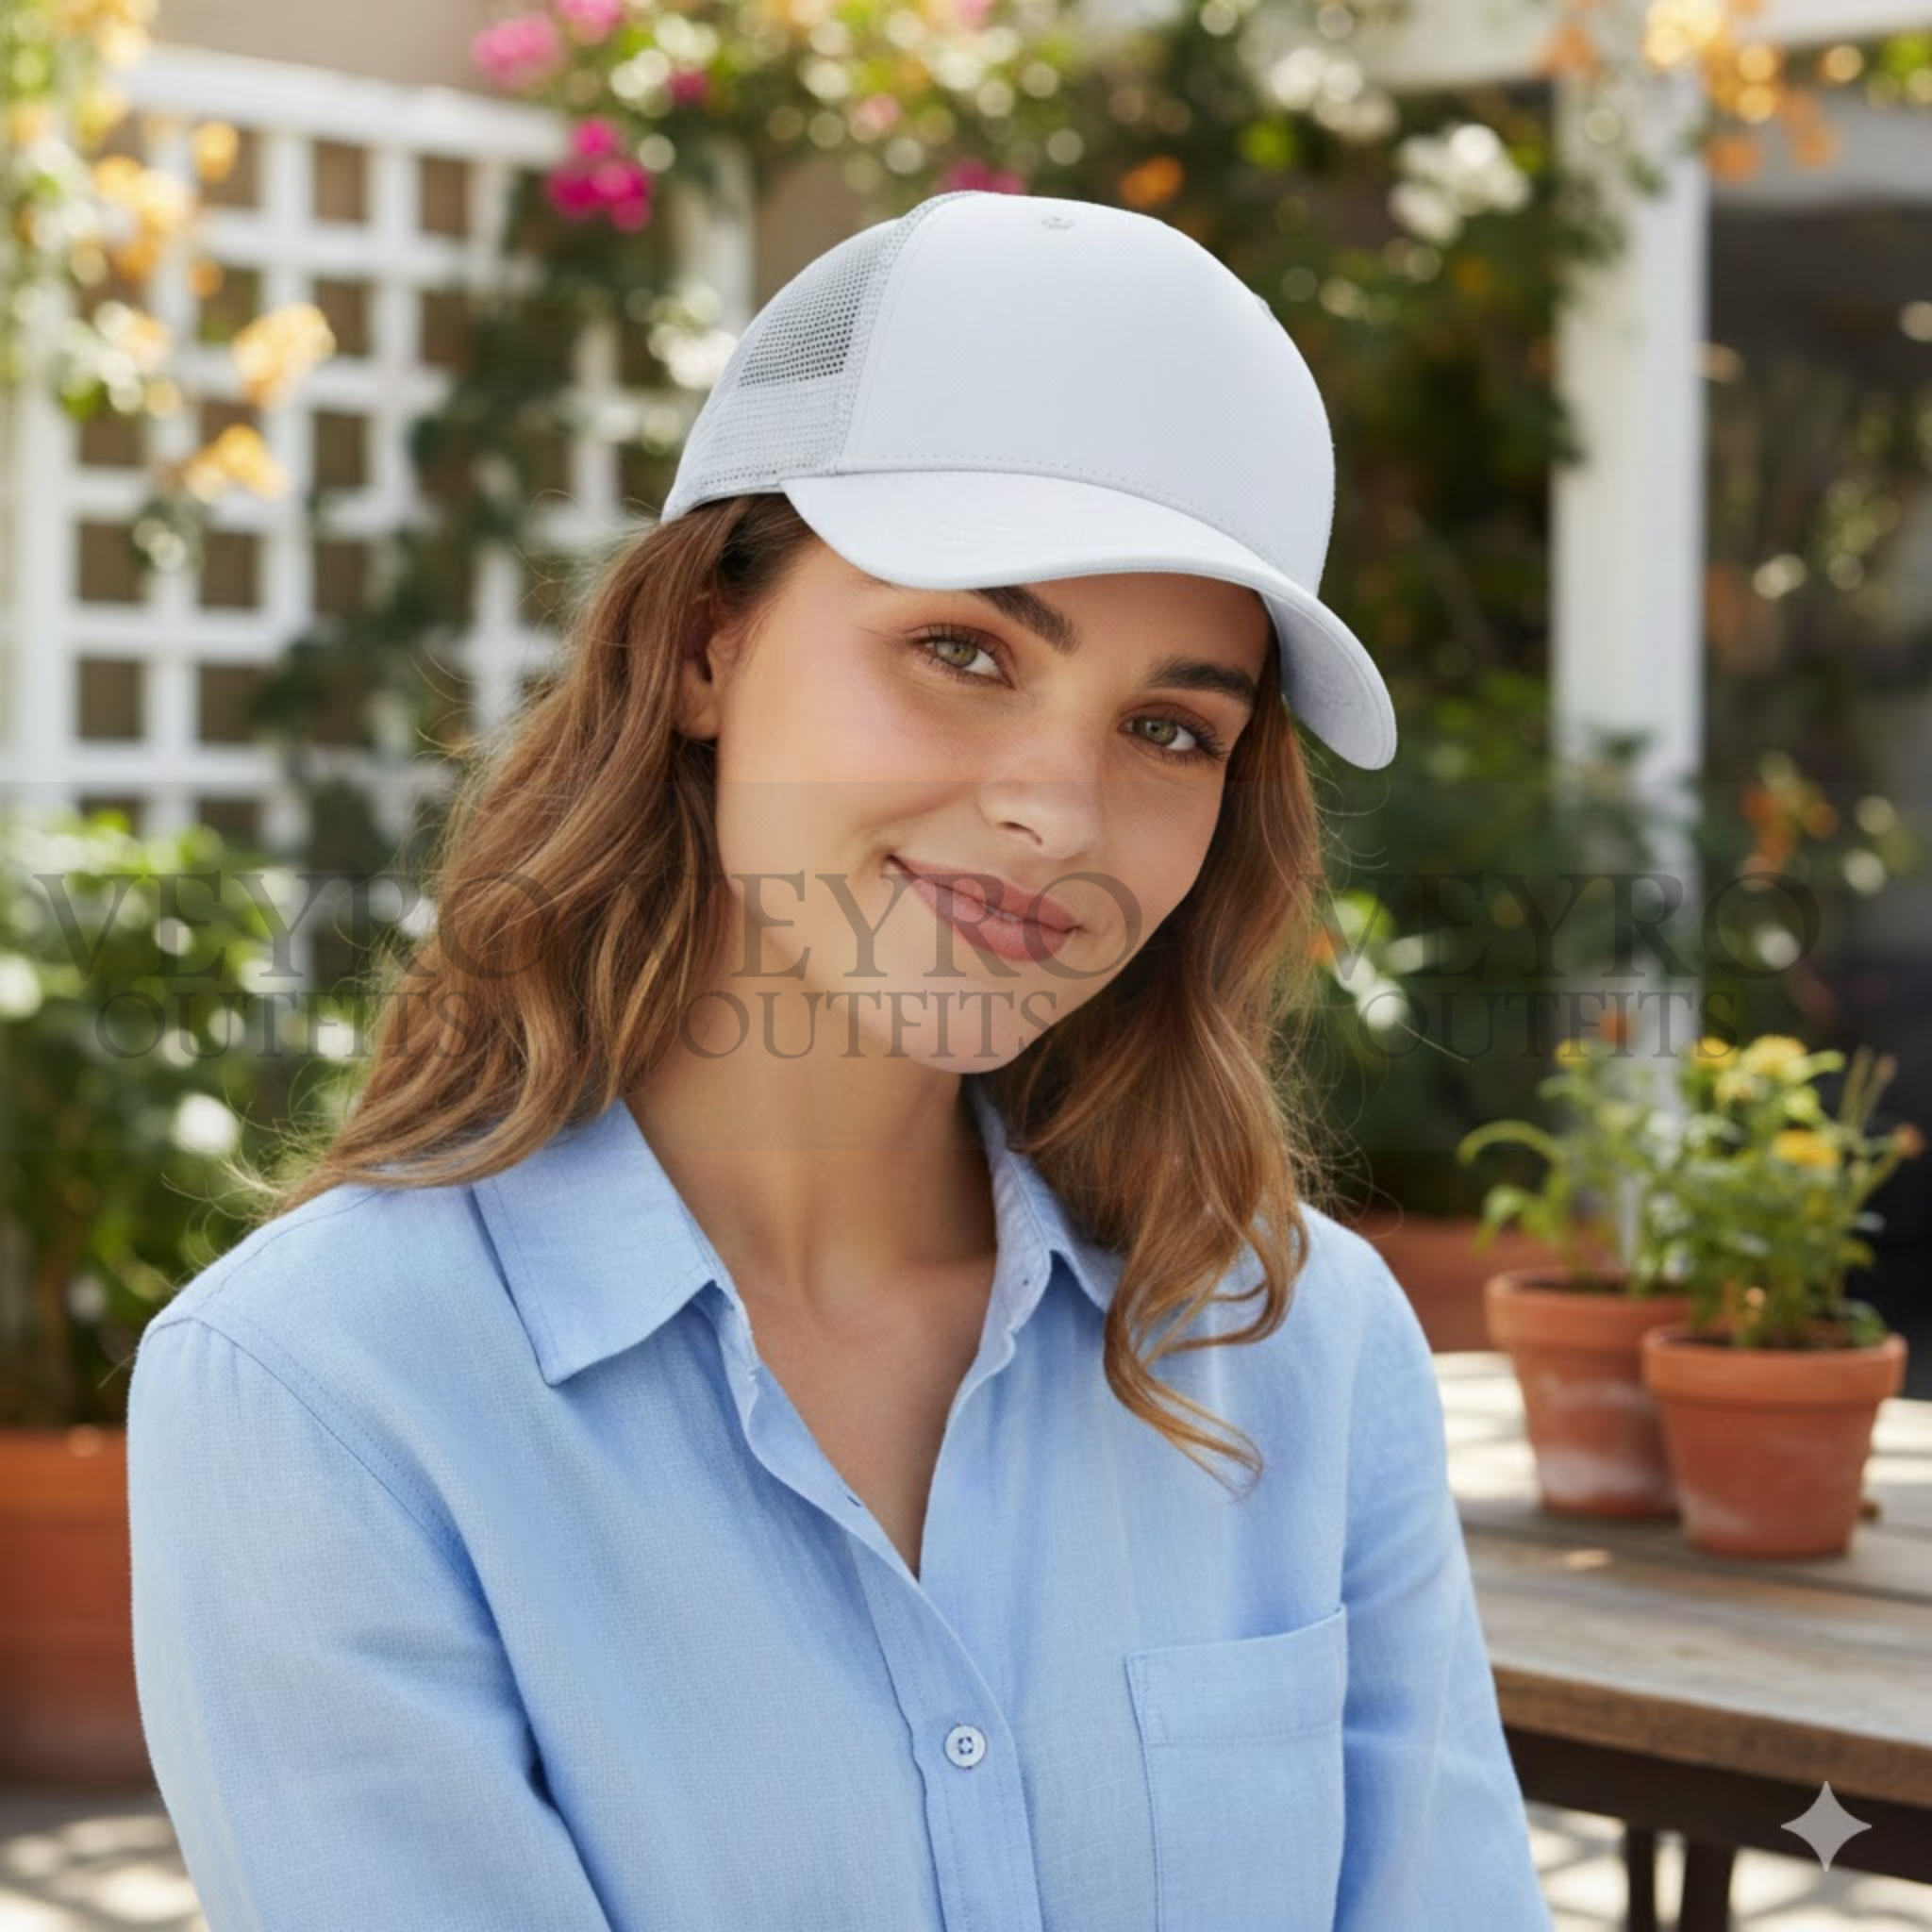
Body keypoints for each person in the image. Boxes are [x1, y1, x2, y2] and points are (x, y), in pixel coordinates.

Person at [125, 190, 1554, 1930]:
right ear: (710, 644)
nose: (1056, 806)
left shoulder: (1298, 1346)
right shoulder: (324, 1397)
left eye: (1169, 727)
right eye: (964, 650)